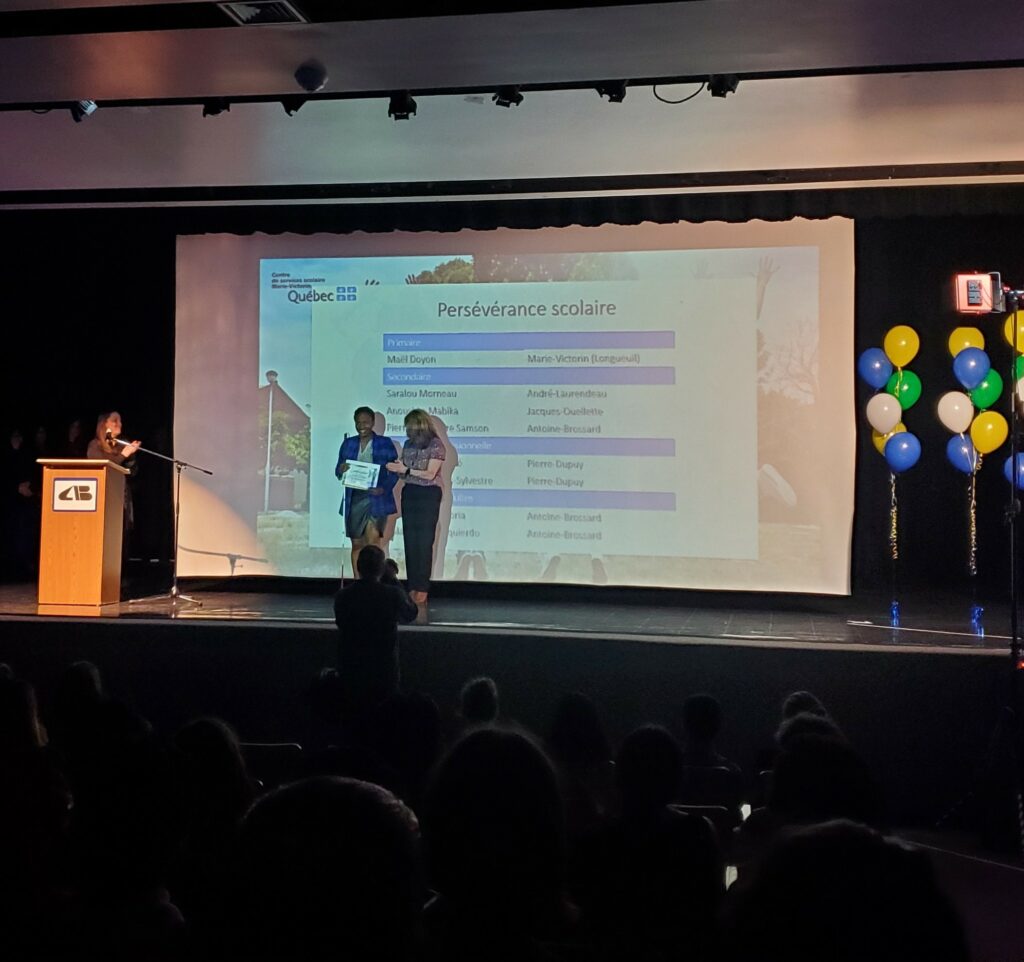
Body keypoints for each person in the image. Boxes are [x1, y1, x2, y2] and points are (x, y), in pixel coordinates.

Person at [333, 545, 418, 722]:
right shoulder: (392, 594)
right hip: (384, 673)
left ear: (358, 567)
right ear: (381, 568)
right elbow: (411, 613)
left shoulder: (343, 596)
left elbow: (341, 623)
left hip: (352, 673)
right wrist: (393, 579)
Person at [385, 409, 445, 621]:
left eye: (410, 426)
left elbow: (430, 474)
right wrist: (395, 468)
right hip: (410, 492)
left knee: (424, 540)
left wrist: (406, 470)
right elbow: (404, 468)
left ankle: (422, 588)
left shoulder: (436, 444)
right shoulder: (408, 444)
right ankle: (412, 586)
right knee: (411, 540)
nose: (407, 430)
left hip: (428, 494)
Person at [335, 406, 399, 578]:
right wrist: (341, 469)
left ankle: (375, 584)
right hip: (354, 498)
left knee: (373, 545)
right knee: (356, 545)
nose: (362, 426)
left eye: (365, 422)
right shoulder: (348, 443)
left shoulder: (385, 443)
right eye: (358, 422)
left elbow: (394, 471)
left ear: (373, 423)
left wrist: (383, 489)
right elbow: (338, 471)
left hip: (376, 499)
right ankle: (358, 583)